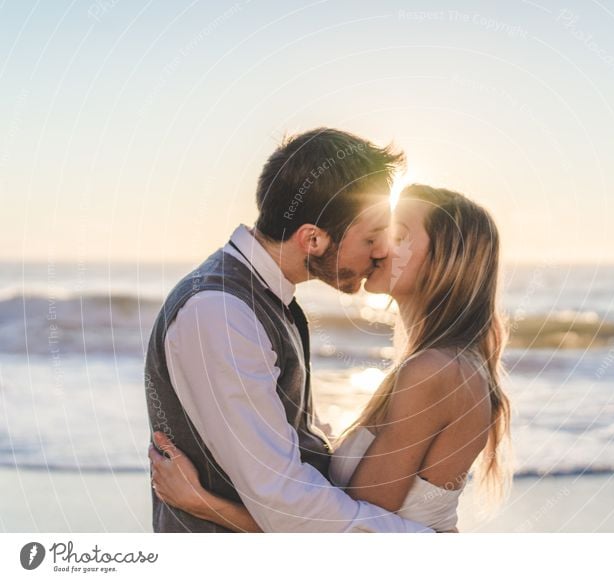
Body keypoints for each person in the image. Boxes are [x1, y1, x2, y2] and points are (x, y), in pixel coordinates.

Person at [149, 183, 513, 532]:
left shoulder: (435, 372)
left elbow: (344, 542)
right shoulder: (451, 366)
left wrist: (205, 504)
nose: (380, 250)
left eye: (399, 237)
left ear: (445, 262)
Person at [145, 128, 432, 532]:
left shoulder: (265, 299)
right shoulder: (220, 313)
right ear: (312, 239)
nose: (382, 251)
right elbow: (282, 497)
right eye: (370, 238)